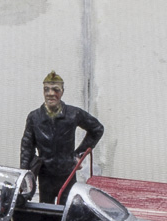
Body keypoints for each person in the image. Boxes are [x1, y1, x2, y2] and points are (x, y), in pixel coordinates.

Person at [19, 71, 104, 204]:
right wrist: (24, 175)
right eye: (47, 89)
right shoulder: (34, 117)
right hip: (45, 175)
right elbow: (27, 147)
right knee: (45, 208)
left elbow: (97, 129)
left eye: (55, 89)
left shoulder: (73, 114)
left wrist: (79, 154)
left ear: (62, 92)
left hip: (66, 174)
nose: (51, 93)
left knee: (66, 207)